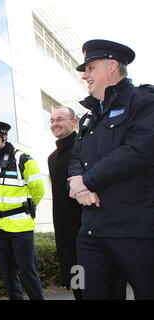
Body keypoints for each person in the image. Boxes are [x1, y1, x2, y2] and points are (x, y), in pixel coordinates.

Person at [69, 39, 154, 299]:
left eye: (91, 68)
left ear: (112, 66)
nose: (85, 75)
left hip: (136, 232)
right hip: (92, 232)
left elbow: (139, 151)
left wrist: (89, 181)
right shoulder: (89, 116)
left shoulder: (143, 102)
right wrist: (75, 182)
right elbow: (75, 155)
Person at [0, 120, 44, 300]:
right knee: (8, 275)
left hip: (21, 228)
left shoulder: (23, 159)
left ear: (4, 137)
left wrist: (25, 209)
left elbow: (38, 190)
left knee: (28, 272)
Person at [47, 106, 82, 300]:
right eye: (51, 120)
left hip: (87, 230)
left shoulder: (84, 147)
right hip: (66, 236)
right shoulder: (52, 158)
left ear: (74, 122)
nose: (54, 124)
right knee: (78, 283)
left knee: (96, 285)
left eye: (60, 119)